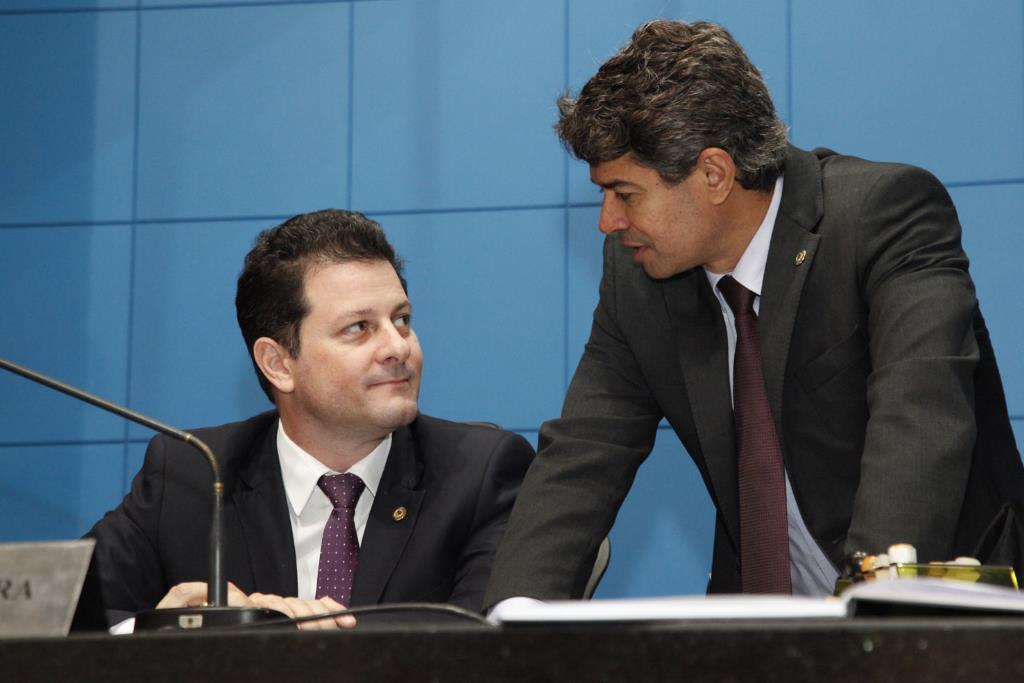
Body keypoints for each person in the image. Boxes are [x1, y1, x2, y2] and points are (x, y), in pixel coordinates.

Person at [484, 20, 1024, 603]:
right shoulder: (638, 277)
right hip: (766, 623)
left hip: (946, 610)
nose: (607, 222)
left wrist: (872, 615)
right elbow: (581, 458)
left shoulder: (884, 218)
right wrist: (511, 619)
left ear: (714, 174)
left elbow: (919, 419)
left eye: (626, 194)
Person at [85, 209, 534, 628]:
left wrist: (277, 635)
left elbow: (480, 643)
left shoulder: (479, 476)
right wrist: (165, 629)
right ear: (278, 364)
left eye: (401, 319)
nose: (399, 347)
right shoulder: (192, 475)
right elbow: (61, 612)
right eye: (358, 327)